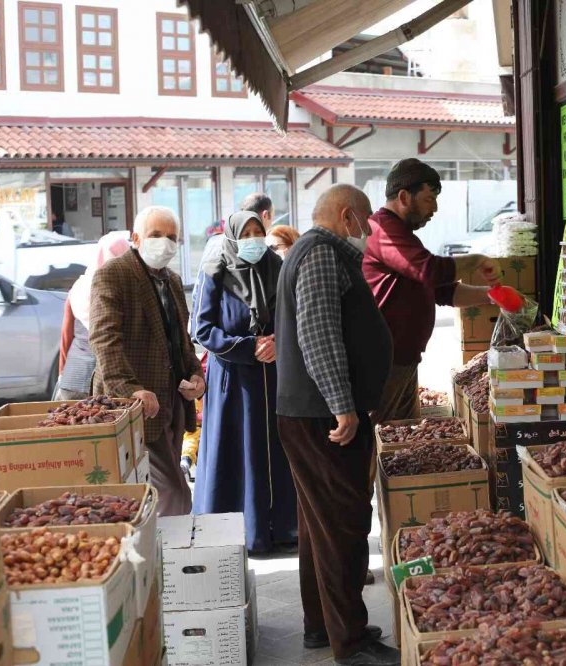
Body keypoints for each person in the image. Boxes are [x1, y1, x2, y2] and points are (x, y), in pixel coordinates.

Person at [275, 184, 399, 665]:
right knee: (344, 526)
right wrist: (343, 405)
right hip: (322, 415)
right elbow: (319, 333)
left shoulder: (314, 252)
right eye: (366, 221)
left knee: (319, 527)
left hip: (310, 412)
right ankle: (351, 641)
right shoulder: (322, 253)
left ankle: (321, 627)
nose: (368, 231)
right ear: (348, 217)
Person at [364, 158, 502, 424]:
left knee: (405, 436)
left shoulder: (404, 237)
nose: (435, 208)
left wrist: (494, 295)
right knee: (383, 436)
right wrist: (476, 260)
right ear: (404, 197)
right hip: (385, 361)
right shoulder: (383, 230)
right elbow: (429, 271)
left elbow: (444, 292)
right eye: (429, 199)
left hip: (403, 359)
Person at [191, 210, 297, 555]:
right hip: (234, 380)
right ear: (233, 237)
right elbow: (202, 329)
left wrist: (278, 343)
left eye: (257, 232)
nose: (253, 239)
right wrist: (248, 347)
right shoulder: (215, 270)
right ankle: (245, 532)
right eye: (246, 233)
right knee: (239, 451)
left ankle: (282, 527)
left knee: (275, 450)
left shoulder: (276, 267)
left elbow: (293, 315)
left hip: (274, 376)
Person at [90, 206, 205, 517]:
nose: (164, 243)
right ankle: (168, 546)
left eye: (172, 237)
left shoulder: (173, 281)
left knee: (153, 495)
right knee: (175, 494)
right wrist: (130, 389)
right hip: (132, 407)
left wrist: (196, 374)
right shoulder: (113, 274)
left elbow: (181, 341)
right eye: (156, 235)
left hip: (171, 405)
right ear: (136, 238)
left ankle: (155, 544)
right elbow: (104, 339)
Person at [56, 231, 131, 401]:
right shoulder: (126, 291)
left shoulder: (79, 287)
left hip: (74, 378)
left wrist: (62, 373)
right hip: (108, 383)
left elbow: (66, 336)